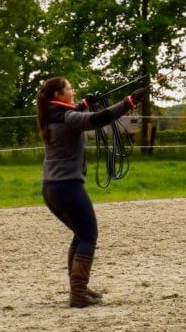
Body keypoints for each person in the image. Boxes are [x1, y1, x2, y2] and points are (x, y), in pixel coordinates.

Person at [36, 77, 145, 308]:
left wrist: (84, 103)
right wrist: (129, 101)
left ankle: (79, 289)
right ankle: (78, 294)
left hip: (50, 188)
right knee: (88, 236)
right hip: (68, 187)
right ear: (58, 95)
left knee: (80, 234)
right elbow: (98, 119)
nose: (72, 90)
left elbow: (75, 113)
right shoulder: (68, 118)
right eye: (69, 88)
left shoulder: (53, 114)